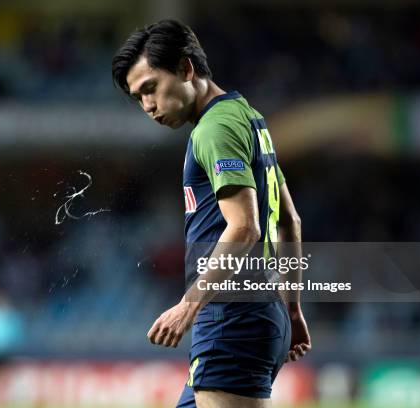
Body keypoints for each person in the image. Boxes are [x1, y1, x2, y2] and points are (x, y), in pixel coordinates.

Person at [112, 20, 311, 407]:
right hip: (255, 312)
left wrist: (188, 306)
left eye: (151, 88)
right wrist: (292, 308)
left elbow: (245, 226)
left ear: (187, 69)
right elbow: (289, 220)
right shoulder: (246, 116)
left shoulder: (213, 129)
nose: (147, 106)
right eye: (138, 98)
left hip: (232, 317)